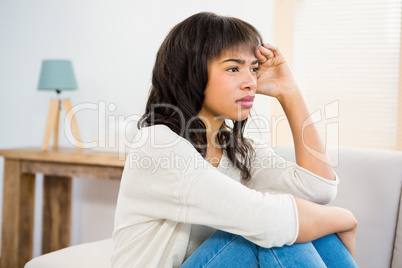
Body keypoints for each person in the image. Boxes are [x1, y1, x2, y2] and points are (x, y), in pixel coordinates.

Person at [112, 12, 358, 267]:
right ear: (191, 73)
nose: (251, 82)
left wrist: (289, 91)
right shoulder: (157, 145)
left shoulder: (237, 150)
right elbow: (269, 222)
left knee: (298, 230)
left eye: (253, 69)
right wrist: (344, 218)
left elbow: (319, 189)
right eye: (233, 68)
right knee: (270, 232)